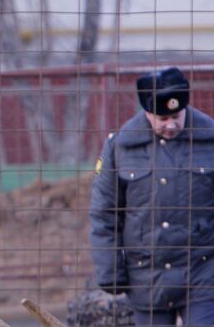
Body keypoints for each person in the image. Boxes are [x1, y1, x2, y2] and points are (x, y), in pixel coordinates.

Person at [90, 67, 214, 326]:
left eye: (177, 115)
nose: (171, 124)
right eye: (163, 118)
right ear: (147, 112)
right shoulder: (120, 146)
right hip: (147, 275)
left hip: (203, 270)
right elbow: (104, 213)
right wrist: (111, 271)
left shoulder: (209, 139)